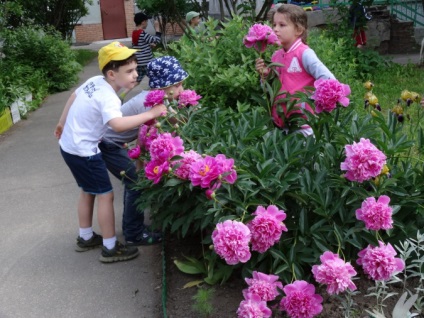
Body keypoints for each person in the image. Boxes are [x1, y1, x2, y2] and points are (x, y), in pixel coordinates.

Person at [54, 41, 167, 263]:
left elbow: (73, 97)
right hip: (85, 152)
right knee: (106, 195)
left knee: (87, 190)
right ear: (112, 74)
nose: (136, 75)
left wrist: (61, 122)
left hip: (69, 146)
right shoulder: (108, 97)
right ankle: (110, 247)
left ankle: (86, 237)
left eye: (135, 69)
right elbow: (117, 124)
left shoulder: (95, 81)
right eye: (129, 71)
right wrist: (150, 113)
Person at [99, 55, 189, 246]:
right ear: (165, 85)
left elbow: (175, 122)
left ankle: (133, 227)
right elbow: (143, 136)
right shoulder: (148, 103)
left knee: (134, 182)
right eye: (179, 85)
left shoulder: (156, 98)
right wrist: (140, 163)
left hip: (115, 144)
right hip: (108, 146)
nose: (182, 90)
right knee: (135, 183)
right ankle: (133, 234)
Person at [255, 4, 335, 136]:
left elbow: (329, 80)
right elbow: (270, 90)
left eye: (282, 25)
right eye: (274, 24)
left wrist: (313, 101)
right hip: (281, 125)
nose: (275, 29)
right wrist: (265, 76)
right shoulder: (276, 56)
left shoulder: (304, 54)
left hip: (303, 126)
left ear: (298, 30)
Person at [120, 12, 162, 100]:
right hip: (147, 62)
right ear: (143, 22)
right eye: (146, 21)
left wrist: (149, 45)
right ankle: (156, 98)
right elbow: (157, 40)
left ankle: (122, 95)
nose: (147, 23)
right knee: (156, 80)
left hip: (139, 62)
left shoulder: (134, 33)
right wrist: (157, 28)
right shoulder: (142, 33)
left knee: (137, 81)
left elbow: (138, 45)